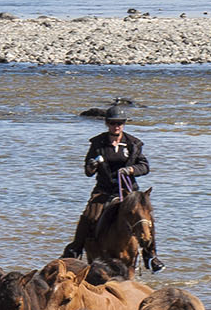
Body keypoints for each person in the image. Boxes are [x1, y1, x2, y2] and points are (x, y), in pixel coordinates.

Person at [61, 105, 159, 272]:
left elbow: (144, 166)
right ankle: (75, 249)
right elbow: (88, 171)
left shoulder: (133, 143)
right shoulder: (98, 143)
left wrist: (131, 170)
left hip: (129, 192)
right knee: (89, 215)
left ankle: (151, 256)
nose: (117, 126)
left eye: (120, 123)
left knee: (145, 217)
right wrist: (92, 165)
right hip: (104, 190)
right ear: (107, 124)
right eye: (113, 123)